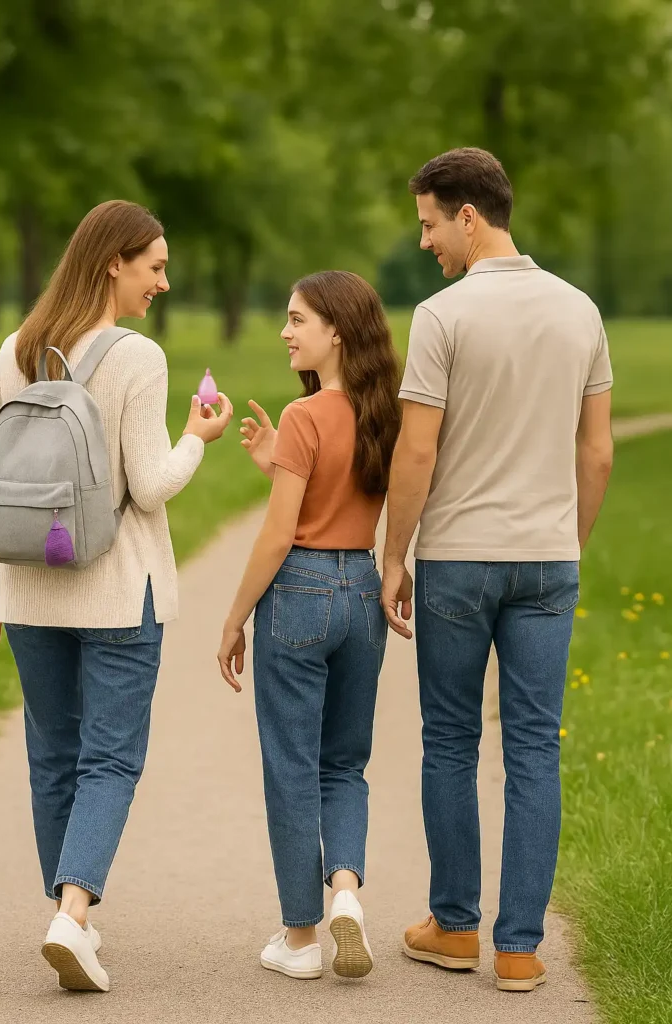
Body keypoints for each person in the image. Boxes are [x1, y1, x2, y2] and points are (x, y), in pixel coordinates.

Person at [0, 200, 233, 993]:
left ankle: (65, 913)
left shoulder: (16, 351)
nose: (164, 282)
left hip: (30, 590)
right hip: (117, 591)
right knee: (110, 758)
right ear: (113, 261)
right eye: (155, 265)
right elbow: (149, 489)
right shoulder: (137, 358)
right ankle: (73, 915)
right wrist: (197, 439)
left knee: (53, 756)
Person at [380, 148, 614, 993]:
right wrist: (567, 543)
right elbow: (598, 454)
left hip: (459, 560)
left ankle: (453, 927)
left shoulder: (442, 316)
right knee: (533, 751)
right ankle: (519, 947)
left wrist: (392, 553)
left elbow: (417, 449)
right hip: (548, 560)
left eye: (430, 224)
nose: (425, 243)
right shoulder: (581, 310)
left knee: (448, 741)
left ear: (469, 217)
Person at [217, 271, 402, 981]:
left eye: (298, 320)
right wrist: (277, 464)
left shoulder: (305, 417)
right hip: (359, 589)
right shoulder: (381, 413)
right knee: (344, 763)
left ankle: (299, 940)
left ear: (337, 334)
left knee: (291, 768)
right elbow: (340, 499)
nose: (285, 332)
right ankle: (346, 892)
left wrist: (234, 618)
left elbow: (280, 535)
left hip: (297, 593)